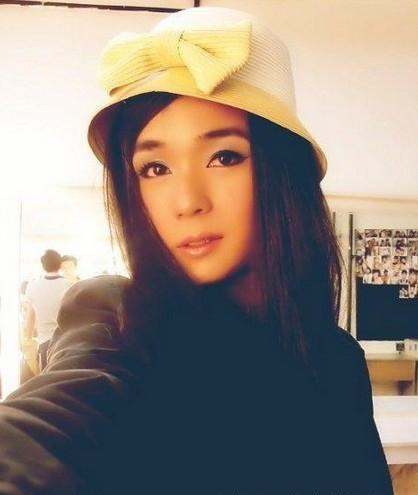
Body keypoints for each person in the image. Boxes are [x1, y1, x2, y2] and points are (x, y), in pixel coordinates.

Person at [0, 7, 393, 495]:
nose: (187, 202)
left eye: (223, 157)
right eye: (155, 168)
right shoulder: (119, 323)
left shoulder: (337, 359)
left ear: (281, 173)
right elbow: (47, 423)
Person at [23, 249, 72, 370]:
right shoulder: (69, 285)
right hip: (66, 341)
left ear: (43, 265)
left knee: (47, 375)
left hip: (44, 342)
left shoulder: (33, 286)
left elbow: (30, 316)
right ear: (60, 264)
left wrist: (28, 337)